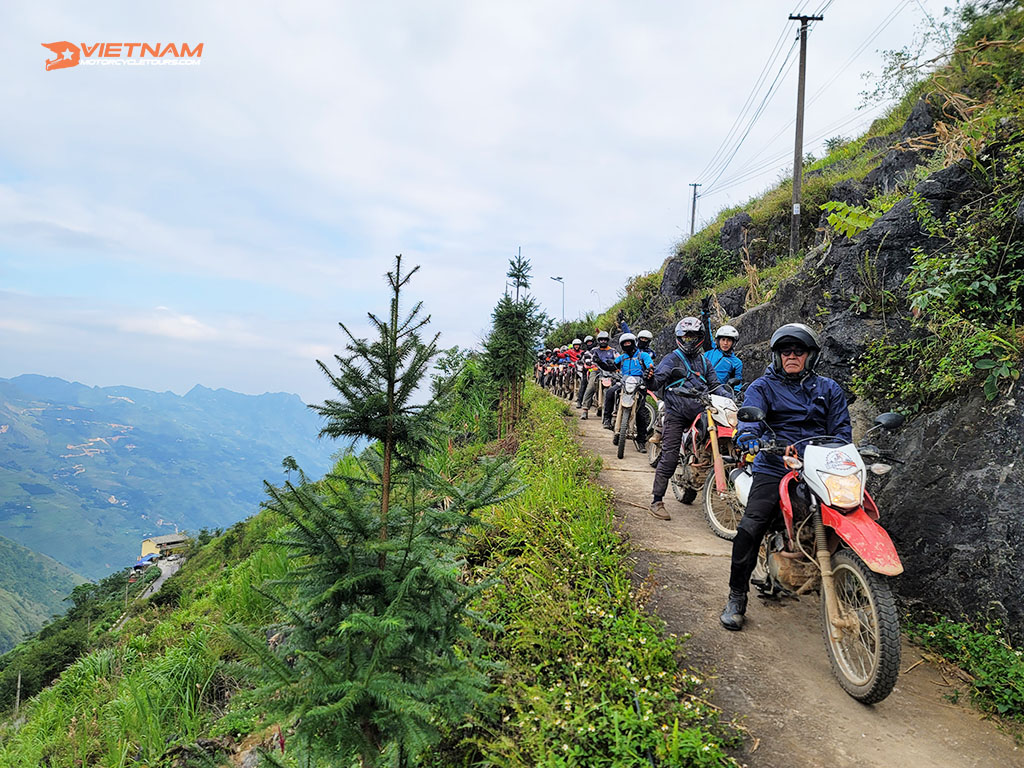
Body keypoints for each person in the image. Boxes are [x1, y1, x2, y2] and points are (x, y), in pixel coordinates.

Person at [720, 323, 852, 631]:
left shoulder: (829, 389)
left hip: (822, 466)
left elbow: (842, 432)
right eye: (785, 351)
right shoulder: (763, 387)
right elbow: (749, 418)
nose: (792, 356)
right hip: (775, 464)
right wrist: (751, 437)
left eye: (798, 351)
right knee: (750, 529)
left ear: (810, 356)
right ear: (777, 356)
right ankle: (736, 596)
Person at [646, 317, 732, 521]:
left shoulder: (705, 361)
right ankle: (656, 501)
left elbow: (715, 386)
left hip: (701, 411)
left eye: (693, 336)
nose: (689, 340)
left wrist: (730, 397)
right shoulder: (671, 359)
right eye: (686, 336)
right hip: (676, 412)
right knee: (669, 456)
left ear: (700, 338)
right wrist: (649, 377)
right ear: (679, 337)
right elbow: (657, 381)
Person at [595, 333, 653, 450]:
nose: (627, 345)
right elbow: (611, 367)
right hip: (624, 383)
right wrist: (600, 362)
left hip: (639, 384)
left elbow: (650, 365)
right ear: (622, 345)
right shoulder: (622, 357)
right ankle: (607, 419)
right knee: (611, 392)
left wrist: (648, 371)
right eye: (624, 343)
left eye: (629, 343)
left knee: (641, 413)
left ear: (633, 342)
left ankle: (641, 440)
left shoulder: (643, 355)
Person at [580, 331, 616, 420]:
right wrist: (591, 363)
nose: (603, 341)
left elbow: (618, 360)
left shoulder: (613, 351)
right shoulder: (593, 350)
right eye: (601, 340)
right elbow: (586, 359)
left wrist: (614, 364)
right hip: (596, 371)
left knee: (614, 389)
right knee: (591, 386)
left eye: (605, 340)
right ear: (598, 341)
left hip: (609, 373)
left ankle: (613, 411)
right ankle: (585, 409)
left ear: (607, 340)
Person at [704, 325, 743, 395]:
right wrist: (705, 316)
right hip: (700, 387)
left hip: (718, 393)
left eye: (729, 340)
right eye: (723, 339)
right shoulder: (709, 352)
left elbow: (738, 382)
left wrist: (737, 393)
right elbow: (706, 334)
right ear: (718, 341)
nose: (725, 343)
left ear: (733, 343)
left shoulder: (737, 362)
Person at [575, 336, 597, 408]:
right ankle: (579, 401)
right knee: (584, 384)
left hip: (599, 371)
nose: (589, 344)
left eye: (590, 342)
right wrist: (584, 368)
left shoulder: (598, 351)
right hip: (588, 371)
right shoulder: (585, 353)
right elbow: (580, 363)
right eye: (588, 343)